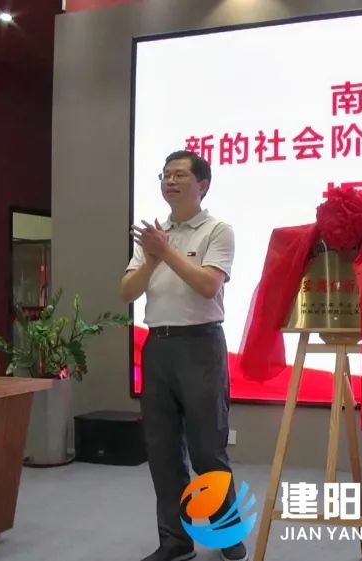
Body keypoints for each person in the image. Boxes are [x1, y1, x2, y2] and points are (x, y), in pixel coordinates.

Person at [122, 150, 247, 561]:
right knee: (162, 450)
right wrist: (151, 257)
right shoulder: (152, 237)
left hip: (200, 346)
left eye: (179, 175)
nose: (170, 181)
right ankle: (175, 541)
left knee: (207, 449)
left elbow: (208, 286)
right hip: (158, 346)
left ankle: (227, 535)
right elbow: (127, 292)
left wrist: (166, 252)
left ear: (202, 184)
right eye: (165, 175)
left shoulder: (217, 230)